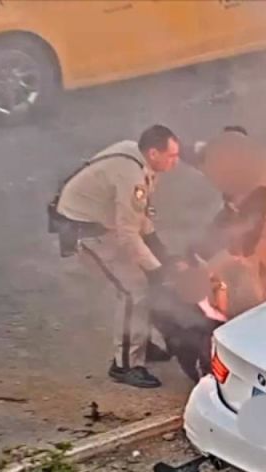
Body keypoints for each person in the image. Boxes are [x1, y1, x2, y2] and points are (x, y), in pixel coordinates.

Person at [51, 124, 181, 389]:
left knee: (141, 281)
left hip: (101, 221)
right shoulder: (131, 176)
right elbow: (128, 235)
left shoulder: (139, 158)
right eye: (171, 156)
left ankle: (140, 343)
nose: (175, 162)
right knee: (134, 290)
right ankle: (124, 365)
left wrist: (162, 252)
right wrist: (156, 269)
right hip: (86, 231)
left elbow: (138, 216)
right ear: (154, 153)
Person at [185, 126, 266, 317]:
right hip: (250, 245)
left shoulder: (261, 190)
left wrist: (211, 266)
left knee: (264, 300)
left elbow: (245, 246)